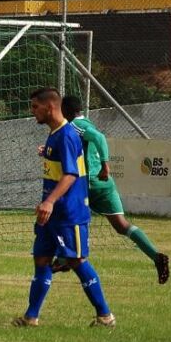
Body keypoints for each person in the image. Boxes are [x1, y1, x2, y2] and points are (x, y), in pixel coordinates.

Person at [14, 88, 115, 327]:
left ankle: (105, 316)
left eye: (35, 107)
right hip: (51, 214)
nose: (32, 112)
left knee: (76, 261)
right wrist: (46, 203)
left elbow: (70, 175)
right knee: (41, 259)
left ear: (50, 107)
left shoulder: (67, 135)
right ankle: (31, 317)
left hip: (69, 212)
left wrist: (49, 201)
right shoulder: (55, 134)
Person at [60, 95, 169, 284]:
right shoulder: (87, 122)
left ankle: (63, 260)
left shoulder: (75, 126)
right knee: (122, 225)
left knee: (67, 217)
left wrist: (105, 165)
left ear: (66, 111)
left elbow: (99, 138)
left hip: (89, 183)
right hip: (105, 184)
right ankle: (156, 256)